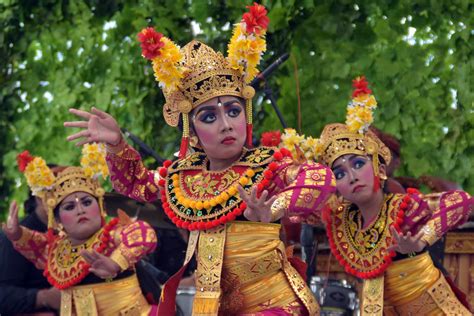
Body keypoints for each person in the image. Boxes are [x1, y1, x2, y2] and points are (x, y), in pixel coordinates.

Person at [64, 4, 336, 315]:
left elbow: (318, 178)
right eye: (209, 116)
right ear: (191, 131)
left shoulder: (267, 164)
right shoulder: (182, 176)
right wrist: (116, 145)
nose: (225, 124)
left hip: (273, 305)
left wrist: (273, 208)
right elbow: (137, 185)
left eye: (233, 111)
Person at [315, 76, 473, 315]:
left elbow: (461, 201)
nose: (352, 176)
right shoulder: (343, 219)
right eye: (340, 173)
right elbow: (300, 211)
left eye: (358, 164)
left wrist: (421, 241)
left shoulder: (404, 207)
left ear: (379, 168)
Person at [3, 145, 158, 315]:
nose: (80, 210)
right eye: (70, 207)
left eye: (86, 202)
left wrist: (116, 262)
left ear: (100, 207)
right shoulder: (57, 251)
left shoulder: (113, 234)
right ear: (57, 220)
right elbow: (36, 244)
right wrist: (16, 234)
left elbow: (144, 234)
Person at [0, 190, 60, 315]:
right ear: (39, 193)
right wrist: (45, 297)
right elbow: (3, 296)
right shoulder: (17, 235)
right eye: (57, 187)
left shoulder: (72, 229)